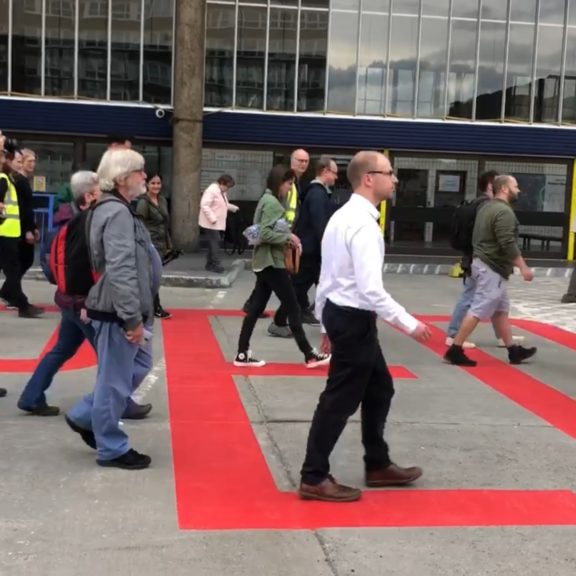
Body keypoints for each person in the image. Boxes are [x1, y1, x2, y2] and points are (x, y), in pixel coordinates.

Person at [298, 151, 431, 503]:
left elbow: (327, 277)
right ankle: (314, 476)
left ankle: (378, 463)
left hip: (346, 317)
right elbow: (371, 290)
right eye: (389, 173)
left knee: (379, 389)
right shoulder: (362, 225)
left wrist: (326, 321)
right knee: (339, 400)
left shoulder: (343, 217)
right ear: (368, 178)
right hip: (354, 320)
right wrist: (410, 324)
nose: (395, 179)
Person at [17, 171, 153, 419]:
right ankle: (119, 403)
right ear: (88, 196)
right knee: (113, 360)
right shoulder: (87, 223)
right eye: (101, 190)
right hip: (85, 303)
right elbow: (94, 267)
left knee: (62, 349)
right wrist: (88, 300)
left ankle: (31, 396)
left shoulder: (62, 222)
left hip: (67, 298)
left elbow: (49, 267)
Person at [66, 149, 161, 470]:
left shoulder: (116, 208)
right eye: (140, 172)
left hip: (123, 309)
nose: (144, 177)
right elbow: (120, 269)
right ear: (122, 178)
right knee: (116, 380)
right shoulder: (116, 212)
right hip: (119, 312)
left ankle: (85, 416)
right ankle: (111, 447)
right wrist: (131, 318)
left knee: (134, 368)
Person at [234, 165, 330, 369]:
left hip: (264, 261)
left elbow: (261, 231)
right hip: (272, 262)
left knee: (256, 308)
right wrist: (289, 237)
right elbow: (266, 233)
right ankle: (309, 354)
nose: (290, 188)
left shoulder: (266, 199)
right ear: (280, 182)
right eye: (289, 183)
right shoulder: (273, 203)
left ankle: (242, 353)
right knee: (293, 306)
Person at [444, 175, 537, 367]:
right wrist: (523, 267)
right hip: (492, 267)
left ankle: (513, 350)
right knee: (479, 308)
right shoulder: (504, 212)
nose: (518, 190)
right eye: (515, 186)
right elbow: (507, 242)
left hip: (482, 263)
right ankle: (455, 348)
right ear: (504, 188)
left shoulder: (486, 207)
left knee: (501, 310)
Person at [280, 155, 338, 326]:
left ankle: (306, 311)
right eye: (334, 173)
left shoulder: (314, 193)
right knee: (299, 286)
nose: (336, 177)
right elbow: (320, 225)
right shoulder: (318, 195)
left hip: (310, 249)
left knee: (313, 284)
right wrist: (330, 249)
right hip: (311, 250)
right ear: (325, 171)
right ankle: (280, 320)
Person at [267, 149, 311, 336]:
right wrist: (288, 236)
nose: (303, 164)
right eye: (300, 160)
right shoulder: (290, 185)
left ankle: (293, 314)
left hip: (286, 239)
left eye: (306, 161)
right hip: (285, 239)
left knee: (280, 285)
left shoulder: (296, 184)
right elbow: (284, 213)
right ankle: (282, 321)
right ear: (292, 161)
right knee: (288, 286)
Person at [0, 139, 43, 318]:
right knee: (14, 269)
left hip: (9, 231)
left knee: (14, 269)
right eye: (14, 161)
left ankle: (16, 299)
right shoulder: (4, 179)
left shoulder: (9, 179)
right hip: (5, 232)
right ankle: (22, 304)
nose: (13, 163)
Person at [136, 173, 172, 319]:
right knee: (152, 277)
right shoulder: (143, 203)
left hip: (161, 242)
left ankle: (145, 305)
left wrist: (169, 244)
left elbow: (165, 223)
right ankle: (155, 307)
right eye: (153, 183)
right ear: (147, 185)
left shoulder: (162, 200)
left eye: (158, 183)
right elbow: (139, 224)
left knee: (154, 276)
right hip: (149, 244)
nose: (156, 186)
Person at [199, 174, 239, 273]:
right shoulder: (212, 191)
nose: (228, 189)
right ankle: (215, 264)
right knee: (215, 242)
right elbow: (204, 205)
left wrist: (234, 208)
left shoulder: (221, 192)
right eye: (227, 186)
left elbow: (223, 204)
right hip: (211, 223)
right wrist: (213, 219)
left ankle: (210, 264)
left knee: (213, 243)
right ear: (222, 183)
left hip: (215, 222)